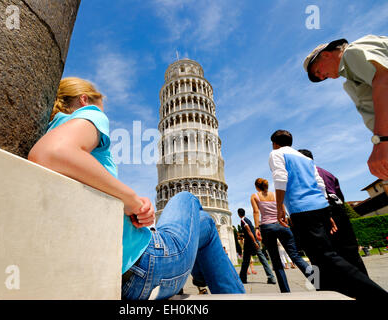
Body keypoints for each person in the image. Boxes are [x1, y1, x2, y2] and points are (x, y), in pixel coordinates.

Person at [28, 77, 245, 300]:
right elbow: (50, 152)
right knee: (186, 198)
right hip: (145, 269)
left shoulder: (51, 127)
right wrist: (131, 200)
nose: (102, 112)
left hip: (110, 275)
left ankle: (212, 283)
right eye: (101, 104)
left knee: (205, 223)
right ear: (84, 100)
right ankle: (219, 287)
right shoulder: (89, 114)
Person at [268, 129, 387, 300]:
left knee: (326, 256)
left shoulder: (276, 153)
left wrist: (279, 207)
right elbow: (320, 184)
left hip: (302, 210)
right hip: (320, 207)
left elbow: (280, 177)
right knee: (319, 258)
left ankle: (376, 294)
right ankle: (327, 292)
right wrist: (328, 213)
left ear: (274, 143)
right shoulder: (306, 159)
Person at [303, 35, 388, 180]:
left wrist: (382, 141)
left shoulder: (351, 54)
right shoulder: (351, 78)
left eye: (318, 71)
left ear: (326, 54)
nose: (322, 77)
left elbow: (384, 81)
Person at [298, 149, 368, 276]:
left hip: (323, 209)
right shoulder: (327, 173)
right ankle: (364, 280)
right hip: (338, 208)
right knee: (350, 248)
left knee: (329, 250)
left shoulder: (305, 173)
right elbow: (340, 194)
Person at [250, 178, 311, 293]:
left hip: (267, 228)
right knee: (295, 256)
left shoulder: (255, 196)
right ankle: (317, 281)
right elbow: (282, 209)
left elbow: (256, 212)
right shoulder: (275, 195)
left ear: (257, 187)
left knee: (276, 261)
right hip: (281, 225)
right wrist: (284, 223)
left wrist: (257, 228)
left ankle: (285, 292)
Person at [237, 208, 277, 285]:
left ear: (239, 214)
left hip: (250, 243)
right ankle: (271, 277)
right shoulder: (248, 220)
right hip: (252, 241)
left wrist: (255, 242)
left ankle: (243, 278)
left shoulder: (243, 221)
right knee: (261, 259)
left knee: (246, 261)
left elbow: (249, 232)